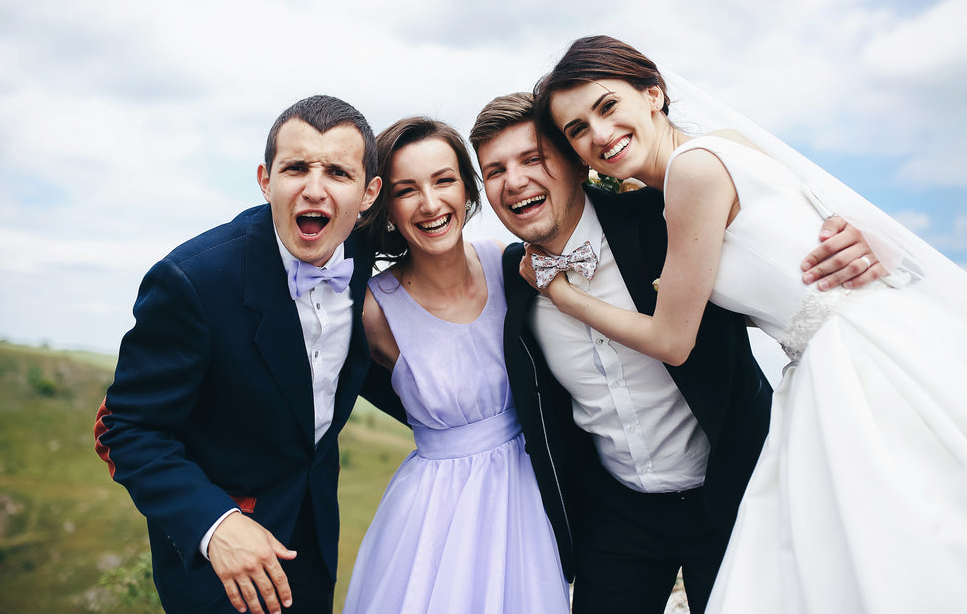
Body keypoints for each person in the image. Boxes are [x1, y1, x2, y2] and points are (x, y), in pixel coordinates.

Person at [531, 35, 967, 613]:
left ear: (654, 94)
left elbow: (671, 340)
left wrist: (560, 293)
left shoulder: (692, 174)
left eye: (608, 107)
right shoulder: (722, 148)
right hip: (863, 341)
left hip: (858, 364)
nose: (599, 135)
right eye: (577, 130)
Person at [469, 91, 879, 614]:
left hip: (733, 491)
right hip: (614, 515)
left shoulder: (667, 217)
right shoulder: (511, 276)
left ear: (575, 164)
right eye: (495, 171)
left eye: (532, 159)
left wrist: (845, 233)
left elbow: (770, 226)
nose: (515, 181)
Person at [93, 95, 404, 614]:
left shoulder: (358, 255)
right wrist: (216, 526)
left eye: (337, 172)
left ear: (369, 193)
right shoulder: (193, 281)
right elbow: (127, 429)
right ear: (265, 179)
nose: (314, 188)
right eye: (296, 167)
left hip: (314, 541)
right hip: (221, 569)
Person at [341, 117, 570, 614]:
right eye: (407, 190)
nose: (430, 203)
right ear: (386, 205)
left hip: (536, 491)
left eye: (444, 180)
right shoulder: (373, 310)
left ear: (468, 188)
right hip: (437, 515)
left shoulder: (513, 265)